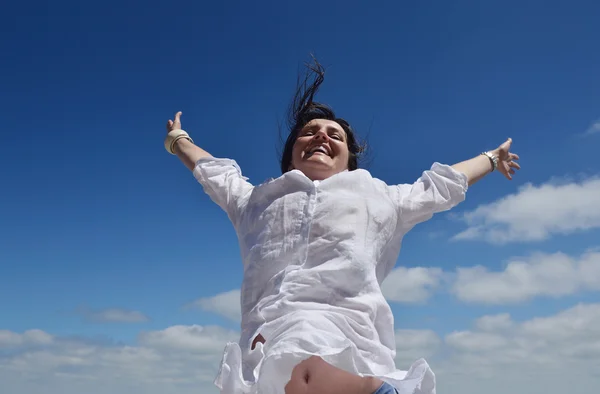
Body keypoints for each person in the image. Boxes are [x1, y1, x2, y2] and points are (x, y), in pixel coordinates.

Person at [164, 59, 520, 394]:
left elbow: (441, 186)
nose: (322, 137)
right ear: (290, 155)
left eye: (335, 136)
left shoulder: (383, 198)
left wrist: (491, 158)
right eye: (310, 132)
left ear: (349, 159)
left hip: (353, 350)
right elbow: (214, 173)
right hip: (268, 352)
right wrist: (178, 140)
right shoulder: (255, 200)